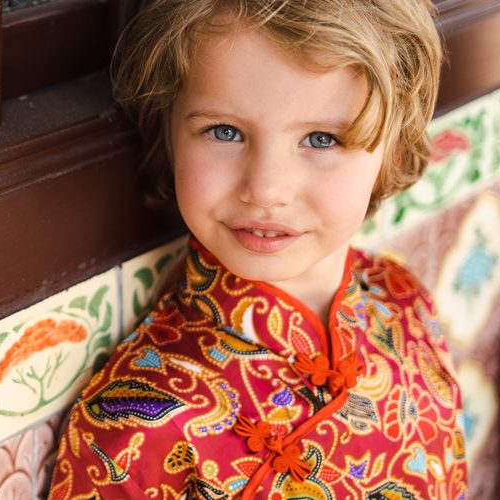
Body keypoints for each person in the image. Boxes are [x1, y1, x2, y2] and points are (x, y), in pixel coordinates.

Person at [48, 0, 467, 498]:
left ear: (393, 149)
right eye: (224, 132)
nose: (265, 189)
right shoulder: (133, 427)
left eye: (321, 139)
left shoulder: (402, 302)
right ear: (169, 132)